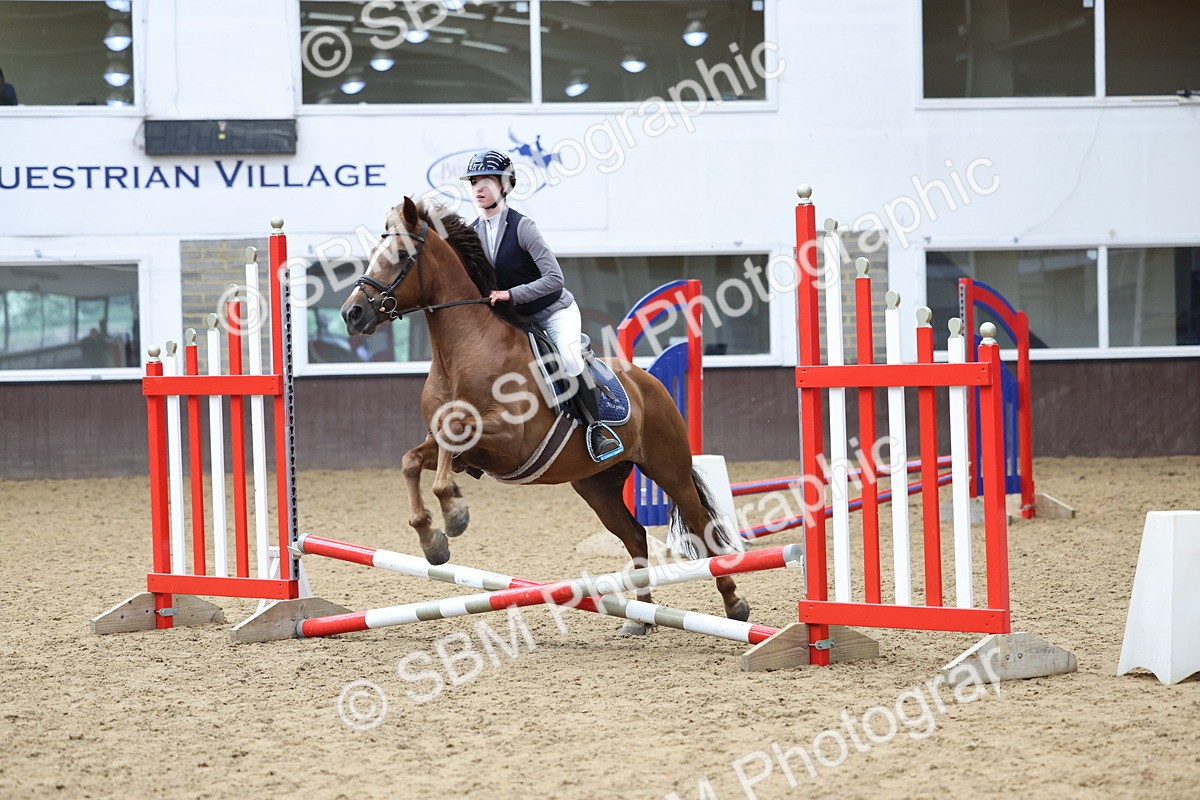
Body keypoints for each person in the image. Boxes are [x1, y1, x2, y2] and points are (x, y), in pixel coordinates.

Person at [461, 149, 621, 460]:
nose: (479, 188)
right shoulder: (473, 233)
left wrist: (511, 294)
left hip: (553, 313)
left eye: (487, 181)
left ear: (505, 186)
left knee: (571, 359)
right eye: (474, 182)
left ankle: (597, 429)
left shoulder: (523, 227)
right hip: (515, 321)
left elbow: (554, 278)